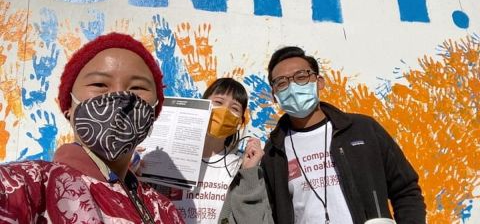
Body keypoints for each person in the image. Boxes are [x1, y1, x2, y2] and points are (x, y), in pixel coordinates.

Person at [0, 33, 184, 223]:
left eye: (137, 87)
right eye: (99, 84)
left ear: (154, 111)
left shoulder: (165, 210)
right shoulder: (29, 186)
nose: (119, 96)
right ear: (69, 108)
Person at [261, 46, 426, 224]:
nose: (292, 86)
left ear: (319, 82)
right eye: (281, 83)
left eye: (301, 77)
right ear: (274, 95)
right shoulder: (273, 151)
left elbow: (406, 190)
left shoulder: (363, 129)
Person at [149, 77, 268, 224]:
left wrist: (249, 173)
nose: (225, 111)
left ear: (240, 122)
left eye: (235, 108)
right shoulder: (170, 162)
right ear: (202, 105)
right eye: (218, 102)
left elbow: (254, 219)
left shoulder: (241, 167)